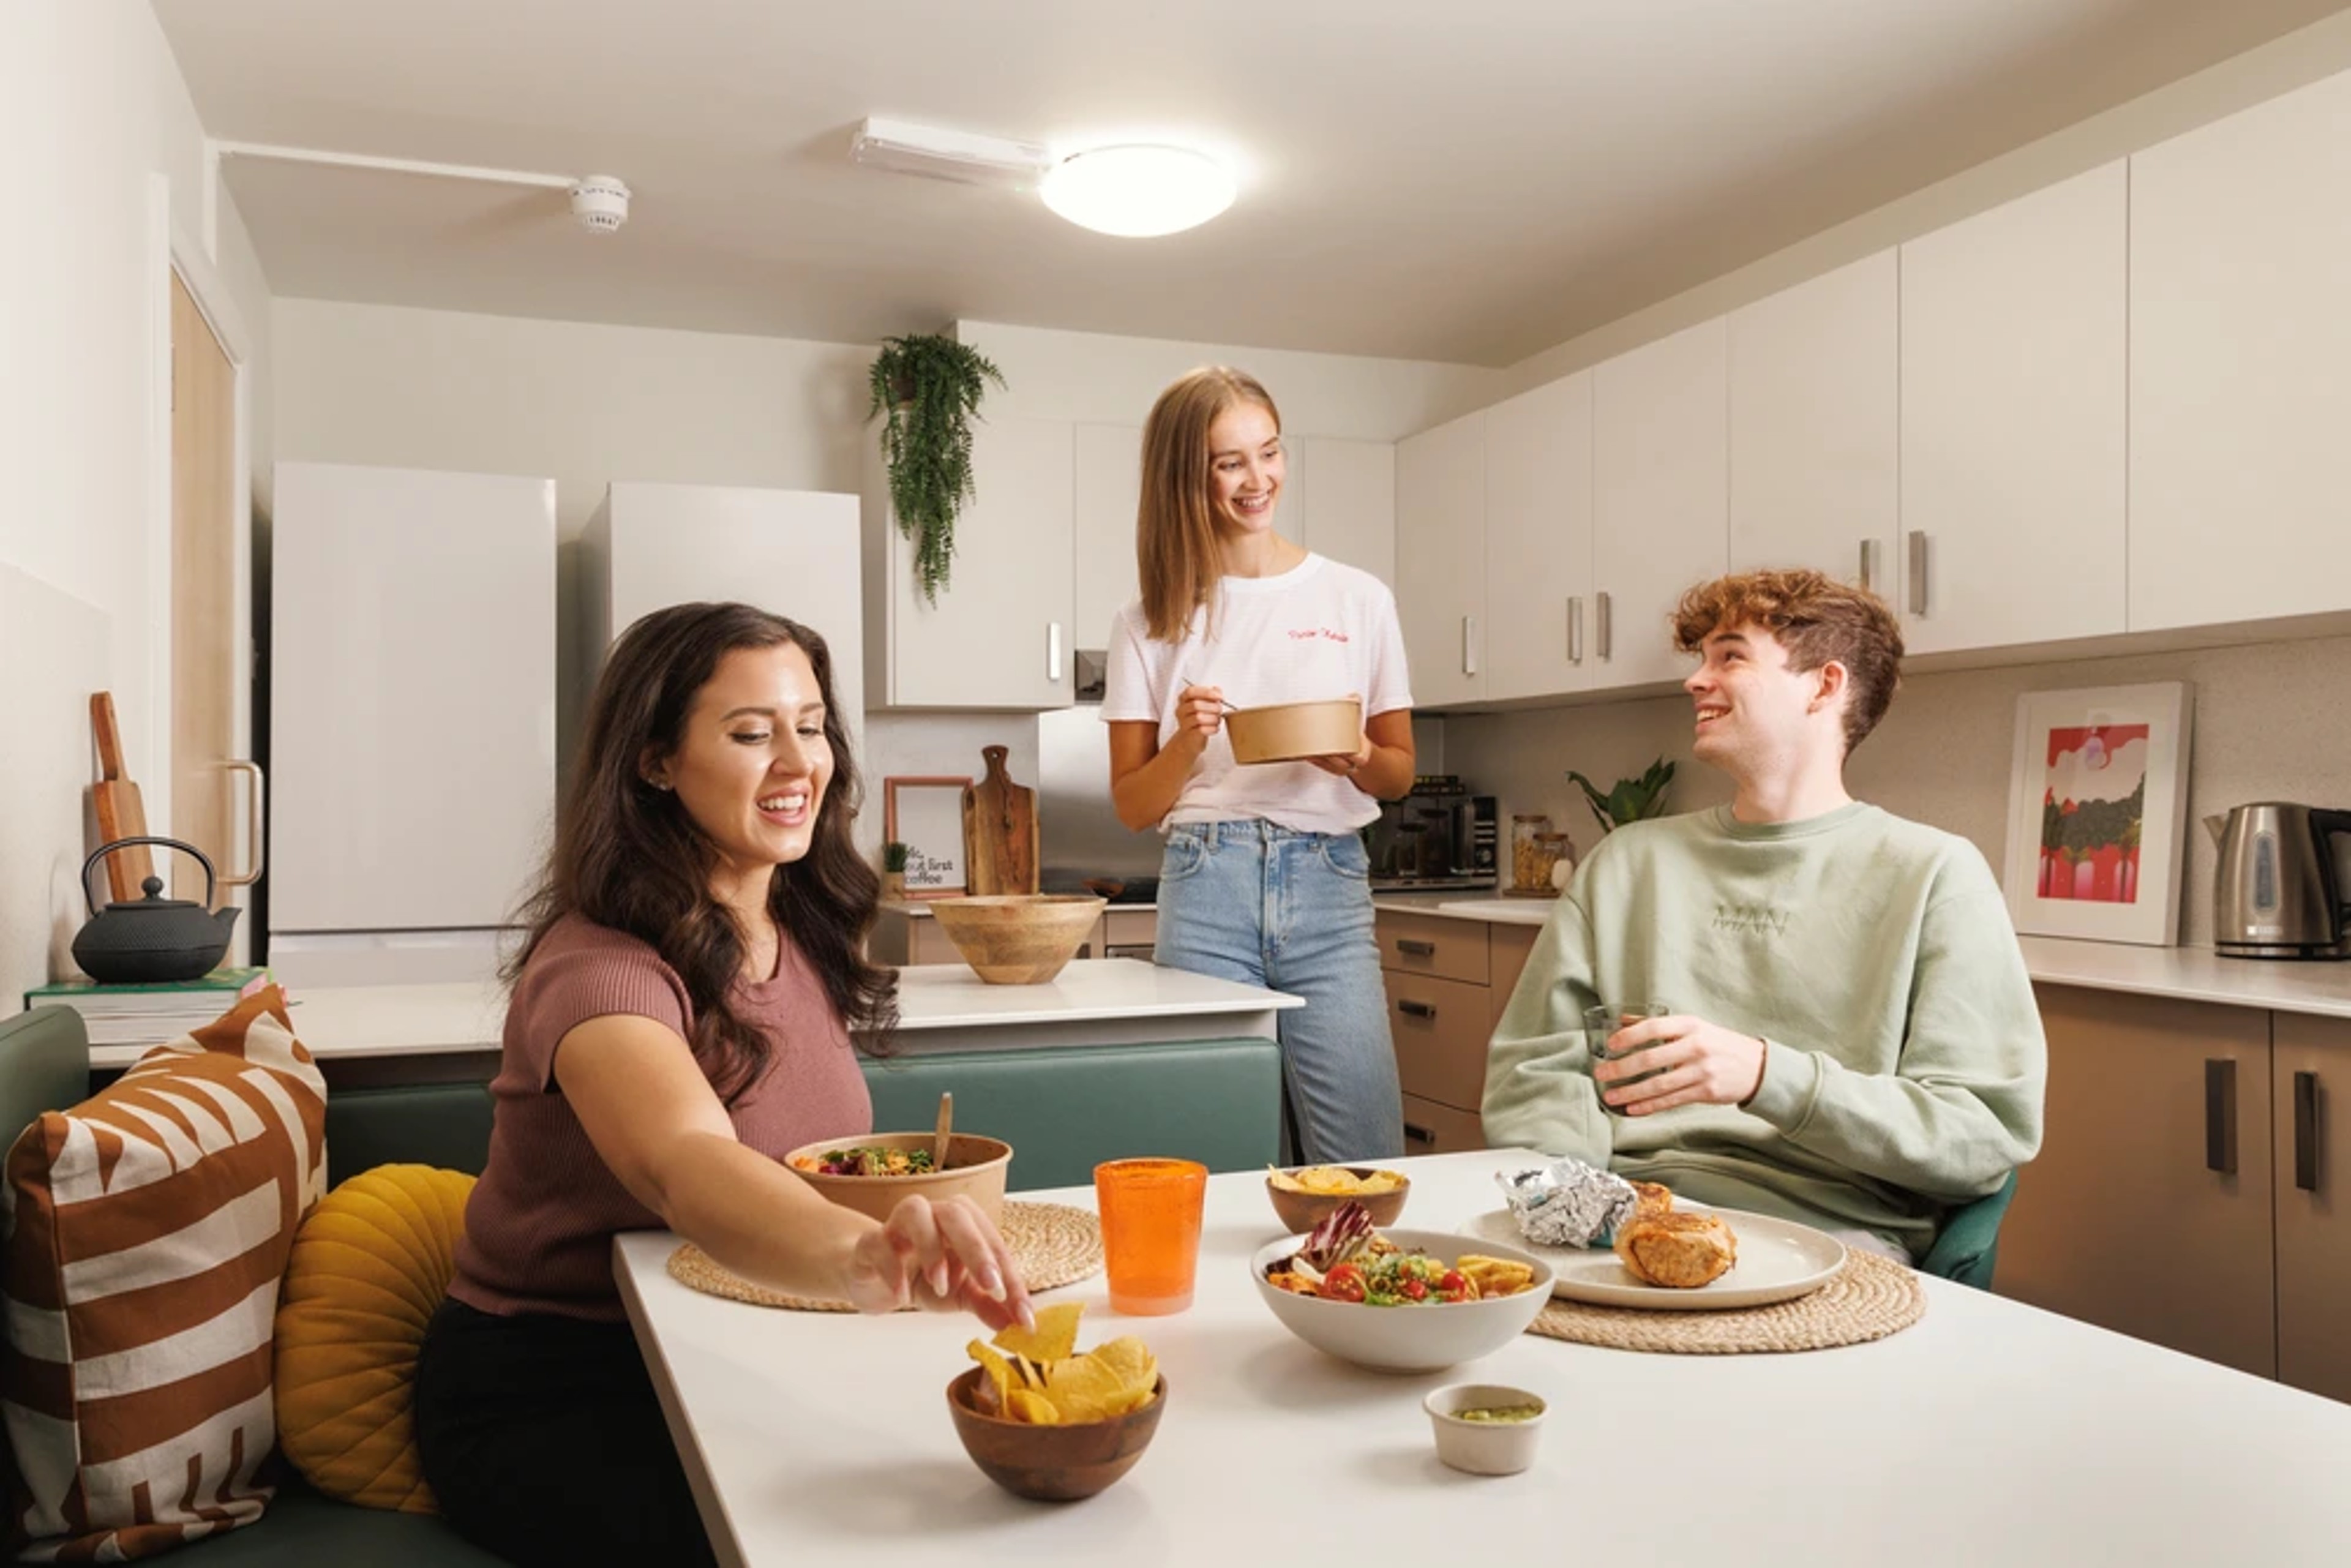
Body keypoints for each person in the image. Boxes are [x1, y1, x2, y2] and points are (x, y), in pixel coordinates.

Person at [414, 602, 1033, 1567]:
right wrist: (870, 1256)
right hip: (566, 1387)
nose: (799, 763)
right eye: (752, 733)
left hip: (740, 1338)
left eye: (812, 725)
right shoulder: (598, 969)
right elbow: (685, 1164)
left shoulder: (804, 932)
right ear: (656, 761)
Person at [1481, 568, 2045, 1261]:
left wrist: (1764, 1075)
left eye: (1730, 655)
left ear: (1824, 684)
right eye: (1700, 658)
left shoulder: (1935, 874)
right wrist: (1588, 1207)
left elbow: (1979, 1136)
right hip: (1622, 1214)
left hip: (1830, 1236)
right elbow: (1533, 1070)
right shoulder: (1628, 862)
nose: (1695, 679)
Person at [1104, 366, 1413, 1165]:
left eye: (1269, 453)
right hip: (1208, 882)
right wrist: (1185, 744)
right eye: (1228, 462)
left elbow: (1399, 773)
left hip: (1329, 882)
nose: (1258, 479)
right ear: (1186, 475)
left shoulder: (1358, 598)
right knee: (1213, 1152)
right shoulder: (1149, 619)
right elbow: (1134, 805)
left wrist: (1356, 757)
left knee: (1363, 1156)